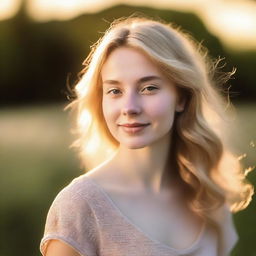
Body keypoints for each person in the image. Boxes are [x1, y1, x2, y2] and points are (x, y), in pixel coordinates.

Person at [39, 15, 254, 256]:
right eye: (114, 90)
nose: (129, 107)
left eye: (149, 88)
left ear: (181, 97)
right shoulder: (80, 206)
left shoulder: (209, 197)